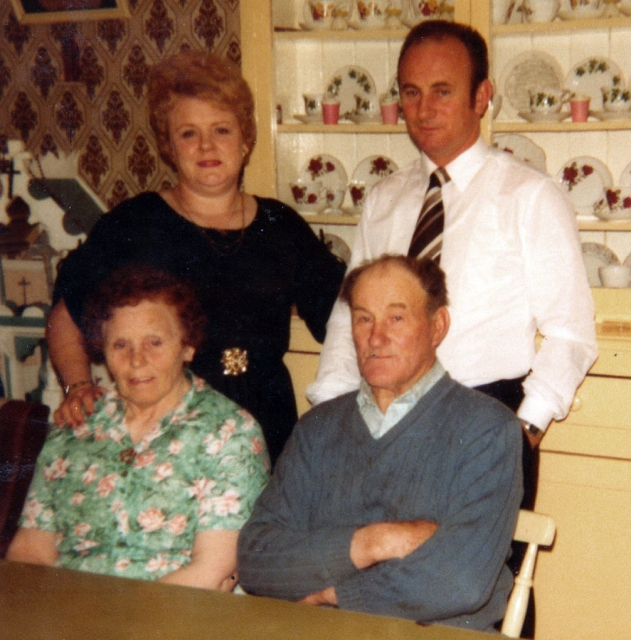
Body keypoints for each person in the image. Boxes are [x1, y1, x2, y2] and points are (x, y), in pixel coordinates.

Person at [308, 19, 597, 495]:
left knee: (474, 572)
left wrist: (523, 431)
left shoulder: (529, 196)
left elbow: (571, 333)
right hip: (379, 421)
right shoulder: (383, 200)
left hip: (483, 424)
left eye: (442, 91)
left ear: (482, 96)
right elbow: (346, 323)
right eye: (411, 92)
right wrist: (333, 420)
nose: (423, 109)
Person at [47, 50, 346, 466]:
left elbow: (343, 317)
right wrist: (78, 388)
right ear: (169, 146)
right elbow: (67, 312)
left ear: (245, 139)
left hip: (268, 432)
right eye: (188, 133)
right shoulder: (137, 223)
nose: (206, 145)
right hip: (168, 431)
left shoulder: (281, 225)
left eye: (221, 130)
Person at [238, 255, 523, 632]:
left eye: (397, 317)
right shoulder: (317, 429)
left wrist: (334, 595)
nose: (376, 337)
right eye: (364, 318)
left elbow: (461, 580)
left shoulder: (487, 429)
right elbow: (256, 559)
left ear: (437, 326)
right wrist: (376, 542)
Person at [7, 265, 269, 588]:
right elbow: (30, 553)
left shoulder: (229, 433)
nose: (136, 360)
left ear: (187, 347)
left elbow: (214, 572)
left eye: (154, 343)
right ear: (102, 350)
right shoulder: (74, 428)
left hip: (172, 620)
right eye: (120, 345)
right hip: (68, 617)